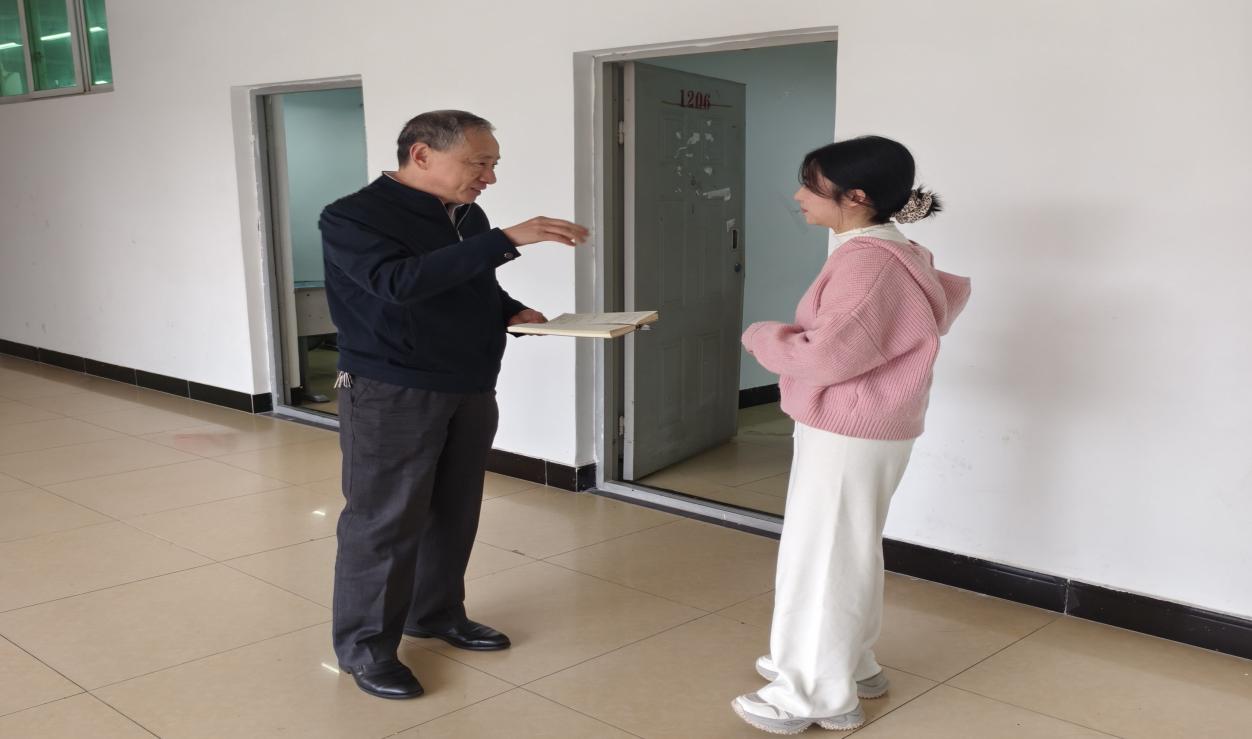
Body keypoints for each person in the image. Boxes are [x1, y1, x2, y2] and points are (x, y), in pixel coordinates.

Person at [320, 110, 587, 700]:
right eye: (478, 163)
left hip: (469, 382)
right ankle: (366, 649)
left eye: (492, 164)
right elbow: (396, 283)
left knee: (453, 509)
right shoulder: (351, 217)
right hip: (391, 388)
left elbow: (471, 284)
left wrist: (509, 310)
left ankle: (435, 612)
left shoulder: (468, 216)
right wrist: (507, 239)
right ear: (421, 154)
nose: (488, 177)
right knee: (384, 520)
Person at [733, 135, 971, 733]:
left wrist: (762, 335)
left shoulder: (868, 262)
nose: (799, 196)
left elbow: (827, 357)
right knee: (846, 546)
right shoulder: (894, 251)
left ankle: (812, 694)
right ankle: (851, 664)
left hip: (849, 425)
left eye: (811, 187)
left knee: (824, 554)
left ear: (856, 197)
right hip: (869, 424)